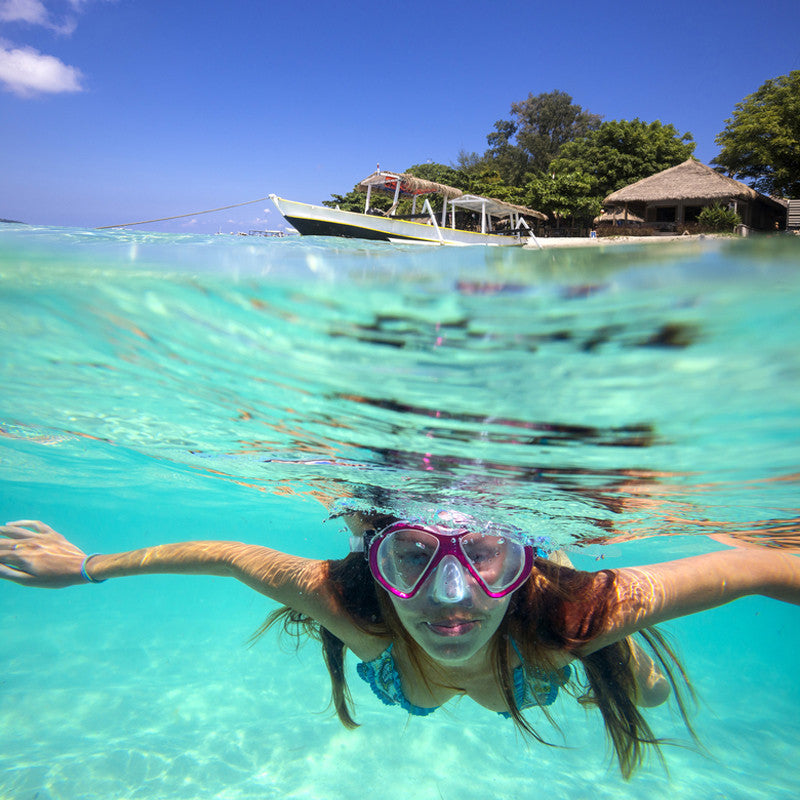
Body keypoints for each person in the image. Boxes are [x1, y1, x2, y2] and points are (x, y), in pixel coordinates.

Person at [1, 511, 798, 778]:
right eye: (411, 556)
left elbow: (757, 562)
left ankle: (621, 660)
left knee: (646, 688)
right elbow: (226, 556)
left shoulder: (573, 614)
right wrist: (81, 567)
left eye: (486, 553)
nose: (450, 601)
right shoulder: (357, 610)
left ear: (521, 563)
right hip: (497, 666)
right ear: (374, 564)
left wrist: (83, 570)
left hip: (552, 653)